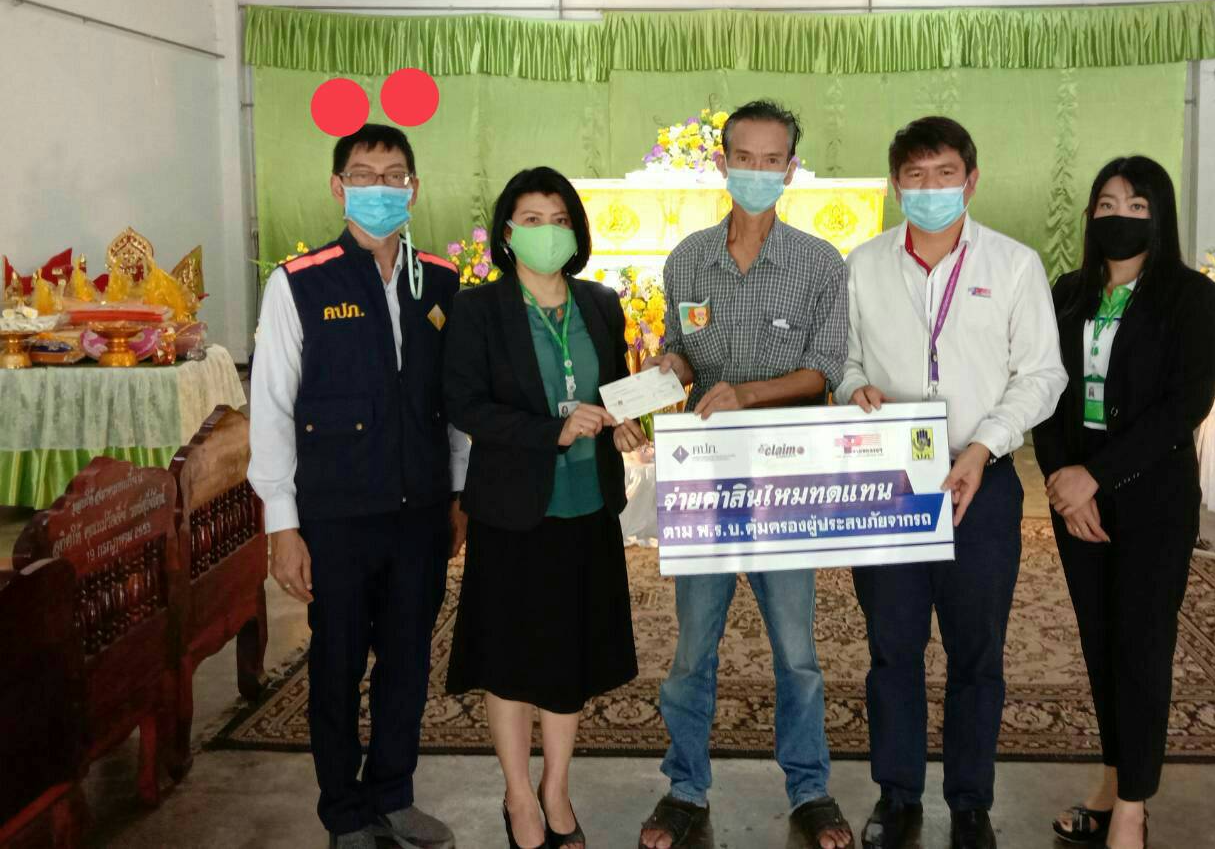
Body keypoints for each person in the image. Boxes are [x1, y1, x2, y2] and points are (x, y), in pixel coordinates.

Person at [837, 116, 1067, 849]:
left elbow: (1042, 374)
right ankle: (897, 793)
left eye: (944, 174)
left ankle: (970, 801)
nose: (929, 188)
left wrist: (985, 445)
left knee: (976, 652)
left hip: (982, 481)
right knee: (892, 647)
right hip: (889, 485)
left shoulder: (1014, 265)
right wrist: (852, 390)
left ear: (971, 181)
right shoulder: (862, 265)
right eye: (914, 175)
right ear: (894, 184)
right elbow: (843, 360)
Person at [638, 100, 854, 849]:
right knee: (691, 649)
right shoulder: (687, 260)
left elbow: (823, 370)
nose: (757, 171)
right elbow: (682, 349)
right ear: (721, 163)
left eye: (772, 160)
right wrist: (665, 370)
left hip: (785, 481)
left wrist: (747, 395)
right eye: (744, 157)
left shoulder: (820, 264)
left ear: (790, 169)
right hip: (705, 482)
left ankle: (809, 789)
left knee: (797, 653)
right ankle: (684, 787)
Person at [247, 123, 465, 849]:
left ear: (413, 188)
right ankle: (343, 811)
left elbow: (452, 402)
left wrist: (457, 493)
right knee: (336, 662)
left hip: (420, 511)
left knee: (408, 660)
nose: (380, 188)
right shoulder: (300, 282)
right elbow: (271, 407)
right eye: (364, 175)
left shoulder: (440, 281)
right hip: (336, 515)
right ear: (338, 187)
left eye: (393, 175)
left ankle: (393, 794)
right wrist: (283, 525)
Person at [442, 167, 642, 849]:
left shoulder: (600, 303)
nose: (547, 232)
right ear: (506, 232)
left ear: (576, 232)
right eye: (531, 219)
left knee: (568, 653)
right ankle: (518, 796)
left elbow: (614, 390)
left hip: (588, 506)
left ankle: (556, 789)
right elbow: (465, 404)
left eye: (559, 219)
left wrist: (625, 425)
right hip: (513, 509)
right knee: (510, 655)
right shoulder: (478, 309)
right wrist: (549, 431)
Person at [1033, 156, 1215, 849]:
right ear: (1090, 215)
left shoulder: (1188, 296)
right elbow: (1042, 386)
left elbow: (1185, 404)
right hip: (1076, 496)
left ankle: (1134, 809)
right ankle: (1112, 782)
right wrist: (1062, 479)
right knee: (1100, 641)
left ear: (1159, 216)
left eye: (1137, 206)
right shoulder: (1067, 291)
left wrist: (1096, 475)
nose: (1120, 216)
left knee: (1141, 646)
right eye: (1108, 204)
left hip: (1151, 498)